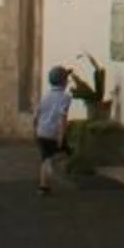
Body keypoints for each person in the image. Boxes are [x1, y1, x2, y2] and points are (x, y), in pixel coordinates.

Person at [32, 64, 73, 195]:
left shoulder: (46, 95)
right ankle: (50, 164)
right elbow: (62, 117)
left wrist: (35, 128)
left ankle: (43, 186)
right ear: (63, 82)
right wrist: (62, 135)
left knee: (44, 157)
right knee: (66, 153)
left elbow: (36, 114)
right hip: (54, 132)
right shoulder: (65, 97)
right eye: (67, 79)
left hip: (42, 131)